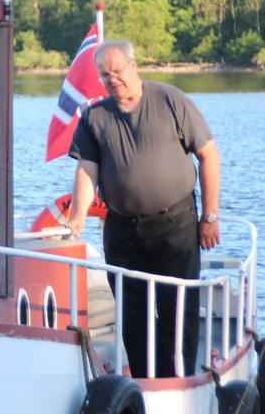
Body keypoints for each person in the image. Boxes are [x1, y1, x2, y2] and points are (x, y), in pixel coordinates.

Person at [67, 39, 222, 379]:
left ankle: (178, 382)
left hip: (174, 224)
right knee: (132, 314)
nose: (112, 79)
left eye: (117, 71)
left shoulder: (170, 100)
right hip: (122, 230)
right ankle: (143, 383)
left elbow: (209, 155)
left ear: (133, 66)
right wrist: (78, 214)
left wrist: (210, 217)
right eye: (105, 75)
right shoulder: (94, 116)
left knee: (176, 308)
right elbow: (87, 170)